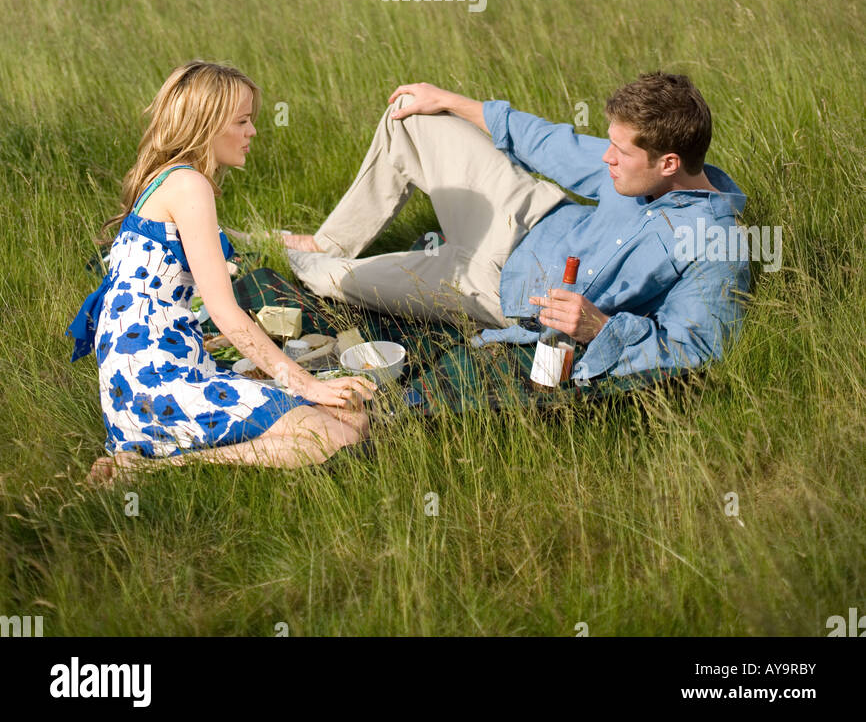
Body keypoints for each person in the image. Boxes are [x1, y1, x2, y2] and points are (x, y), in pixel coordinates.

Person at [240, 72, 751, 392]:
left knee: (329, 279)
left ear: (668, 163)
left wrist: (601, 329)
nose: (606, 157)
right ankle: (330, 237)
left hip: (493, 288)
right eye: (610, 142)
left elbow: (696, 347)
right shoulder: (634, 160)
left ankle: (297, 255)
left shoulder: (714, 245)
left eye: (621, 152)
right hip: (526, 213)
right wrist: (451, 100)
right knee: (409, 118)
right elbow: (553, 144)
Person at [67, 61, 375, 485]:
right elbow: (225, 312)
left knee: (352, 422)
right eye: (243, 121)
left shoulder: (168, 180)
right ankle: (153, 469)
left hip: (158, 374)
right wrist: (309, 386)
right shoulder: (189, 185)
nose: (252, 132)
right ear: (207, 125)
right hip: (156, 384)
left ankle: (159, 458)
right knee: (330, 439)